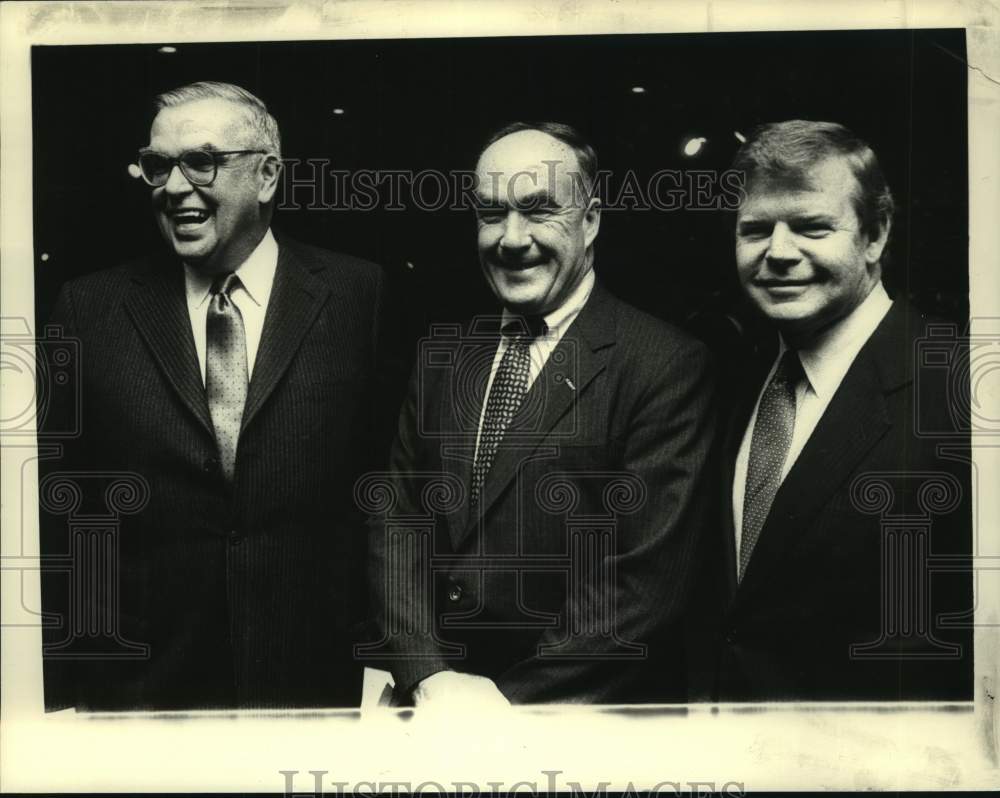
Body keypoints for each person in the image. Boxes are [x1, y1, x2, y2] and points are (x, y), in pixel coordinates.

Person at [38, 81, 385, 710]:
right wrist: (61, 693)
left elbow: (392, 494)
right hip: (142, 696)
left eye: (202, 162)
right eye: (158, 166)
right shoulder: (88, 308)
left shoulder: (360, 298)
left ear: (267, 176)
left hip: (314, 686)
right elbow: (57, 517)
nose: (174, 189)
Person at [365, 122, 717, 706]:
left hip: (573, 727)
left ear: (592, 219)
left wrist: (496, 708)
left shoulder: (665, 364)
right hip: (430, 710)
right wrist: (427, 674)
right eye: (491, 213)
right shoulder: (444, 354)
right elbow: (396, 520)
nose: (511, 238)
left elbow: (641, 585)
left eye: (538, 210)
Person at [688, 120, 972, 701]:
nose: (779, 252)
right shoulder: (732, 376)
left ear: (875, 236)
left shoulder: (961, 392)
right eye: (756, 229)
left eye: (813, 227)